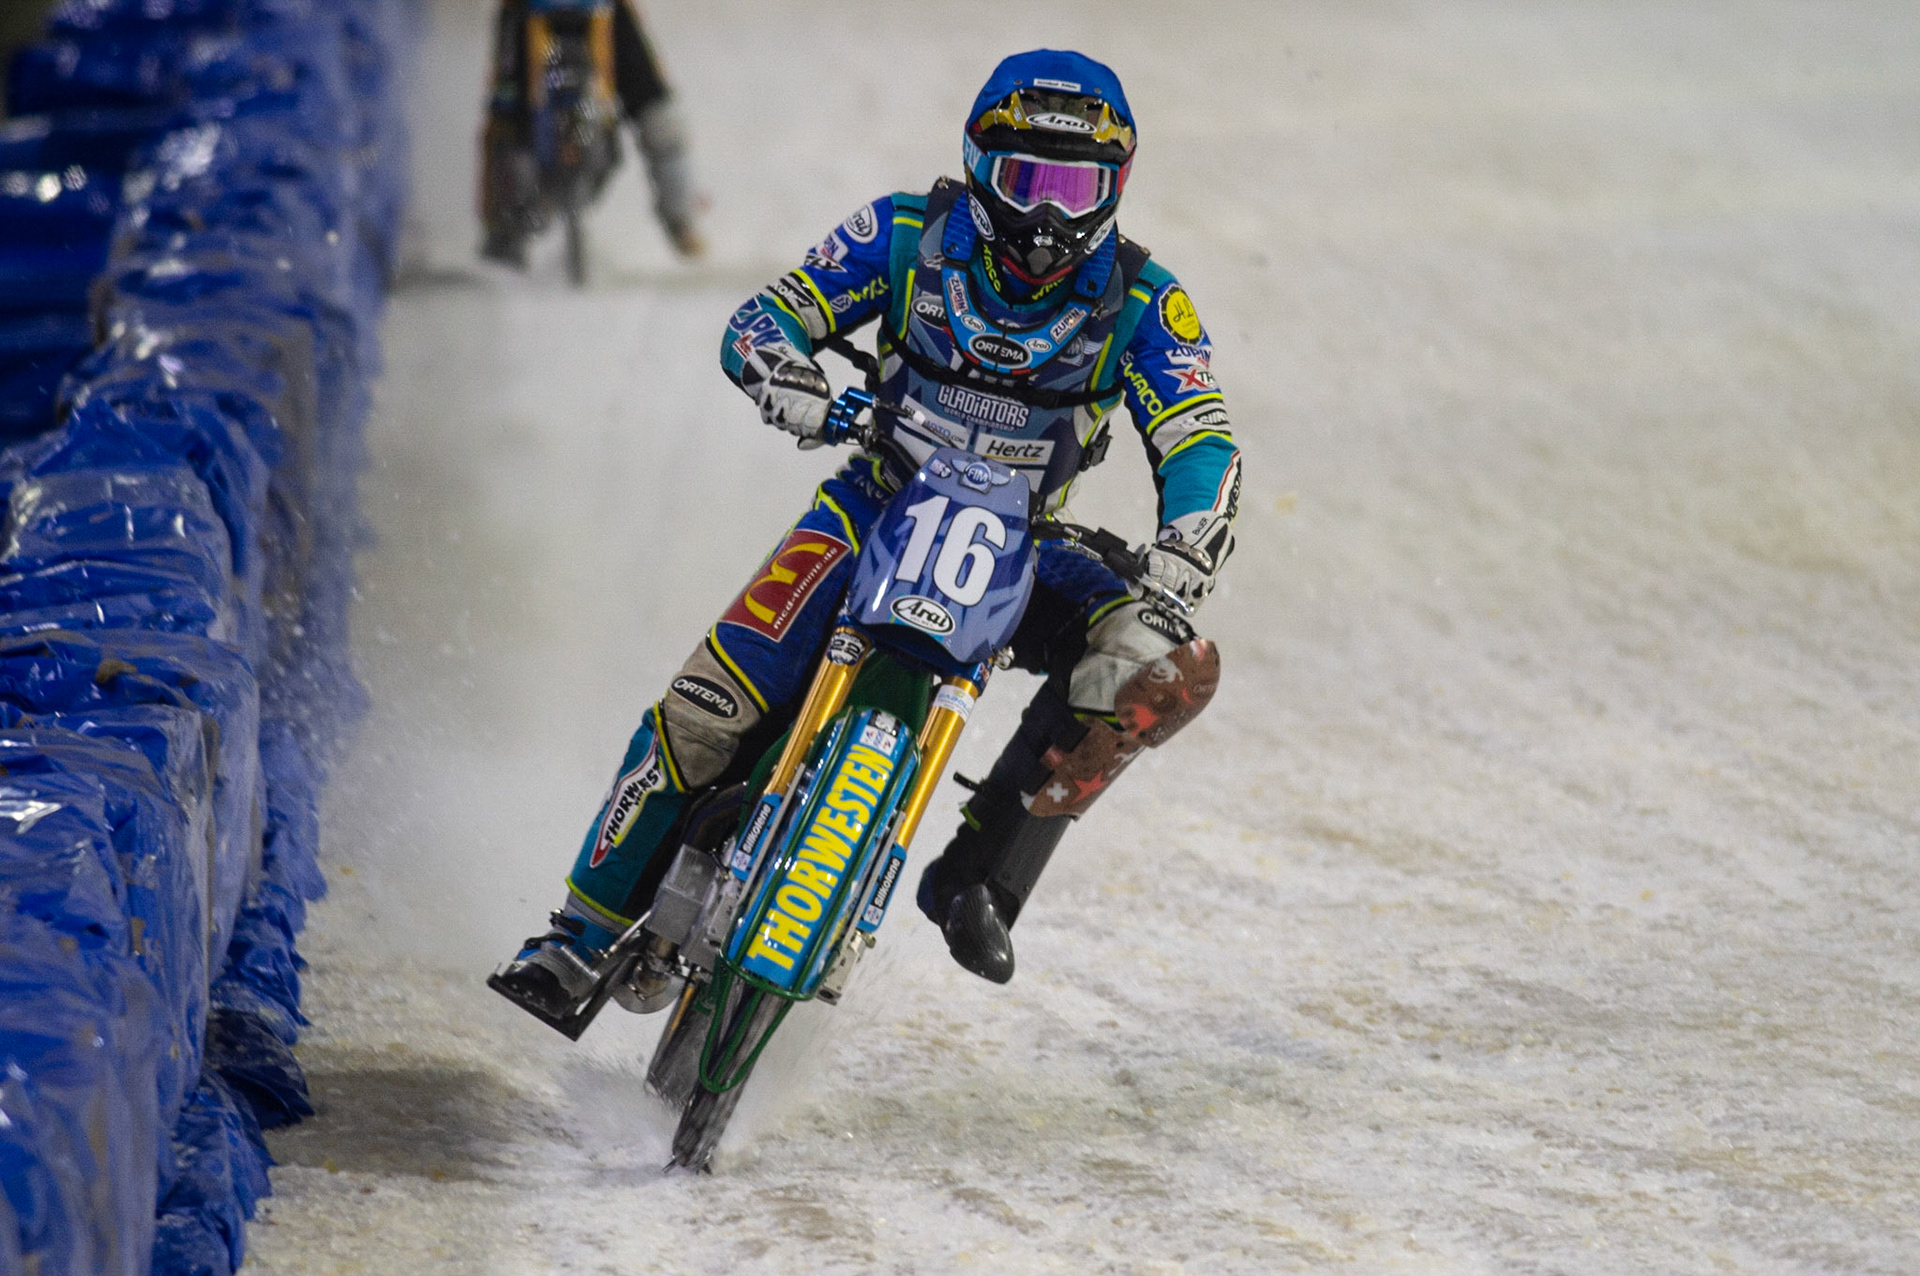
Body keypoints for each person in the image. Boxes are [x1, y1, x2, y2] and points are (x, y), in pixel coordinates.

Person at [492, 48, 1241, 1025]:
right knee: (707, 707)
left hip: (1028, 539)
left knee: (1158, 667)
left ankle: (979, 879)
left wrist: (1185, 551)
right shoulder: (901, 233)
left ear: (1117, 187)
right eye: (1026, 181)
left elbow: (1199, 433)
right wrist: (796, 386)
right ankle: (575, 937)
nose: (1047, 217)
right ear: (977, 167)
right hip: (873, 502)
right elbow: (766, 318)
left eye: (1074, 189)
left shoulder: (1144, 299)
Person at [479, 0, 702, 265]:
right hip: (527, 13)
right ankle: (505, 229)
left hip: (602, 12)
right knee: (506, 115)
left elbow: (650, 97)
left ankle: (680, 219)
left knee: (657, 116)